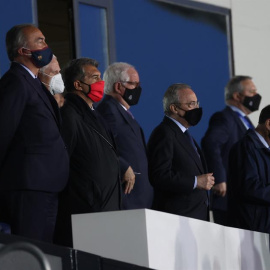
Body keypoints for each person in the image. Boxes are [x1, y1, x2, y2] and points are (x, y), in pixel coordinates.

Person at [0, 24, 69, 242]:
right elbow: (3, 131)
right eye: (39, 40)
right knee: (29, 253)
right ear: (23, 51)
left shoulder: (34, 84)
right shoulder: (15, 81)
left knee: (43, 253)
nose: (46, 45)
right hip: (28, 185)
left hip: (45, 185)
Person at [54, 58, 121, 247]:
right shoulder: (69, 113)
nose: (101, 83)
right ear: (78, 84)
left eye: (101, 78)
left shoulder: (95, 114)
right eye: (94, 78)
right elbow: (61, 161)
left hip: (106, 210)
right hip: (85, 211)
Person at [147, 83, 215, 221]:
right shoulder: (164, 133)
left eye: (197, 103)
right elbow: (159, 176)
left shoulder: (184, 134)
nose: (196, 109)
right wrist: (196, 181)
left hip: (195, 216)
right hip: (178, 218)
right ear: (174, 108)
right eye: (191, 104)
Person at [201, 76, 261, 225]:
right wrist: (220, 178)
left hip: (247, 200)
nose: (256, 96)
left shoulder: (246, 121)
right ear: (237, 95)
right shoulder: (225, 117)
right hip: (230, 199)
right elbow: (210, 143)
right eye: (251, 91)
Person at [96, 62, 153, 209]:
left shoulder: (121, 111)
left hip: (138, 196)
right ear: (118, 87)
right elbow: (103, 145)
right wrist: (123, 166)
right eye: (134, 84)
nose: (138, 89)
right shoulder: (108, 110)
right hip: (127, 195)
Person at [228, 105, 270, 233]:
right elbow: (249, 187)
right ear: (269, 124)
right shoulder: (245, 147)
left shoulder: (264, 150)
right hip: (252, 231)